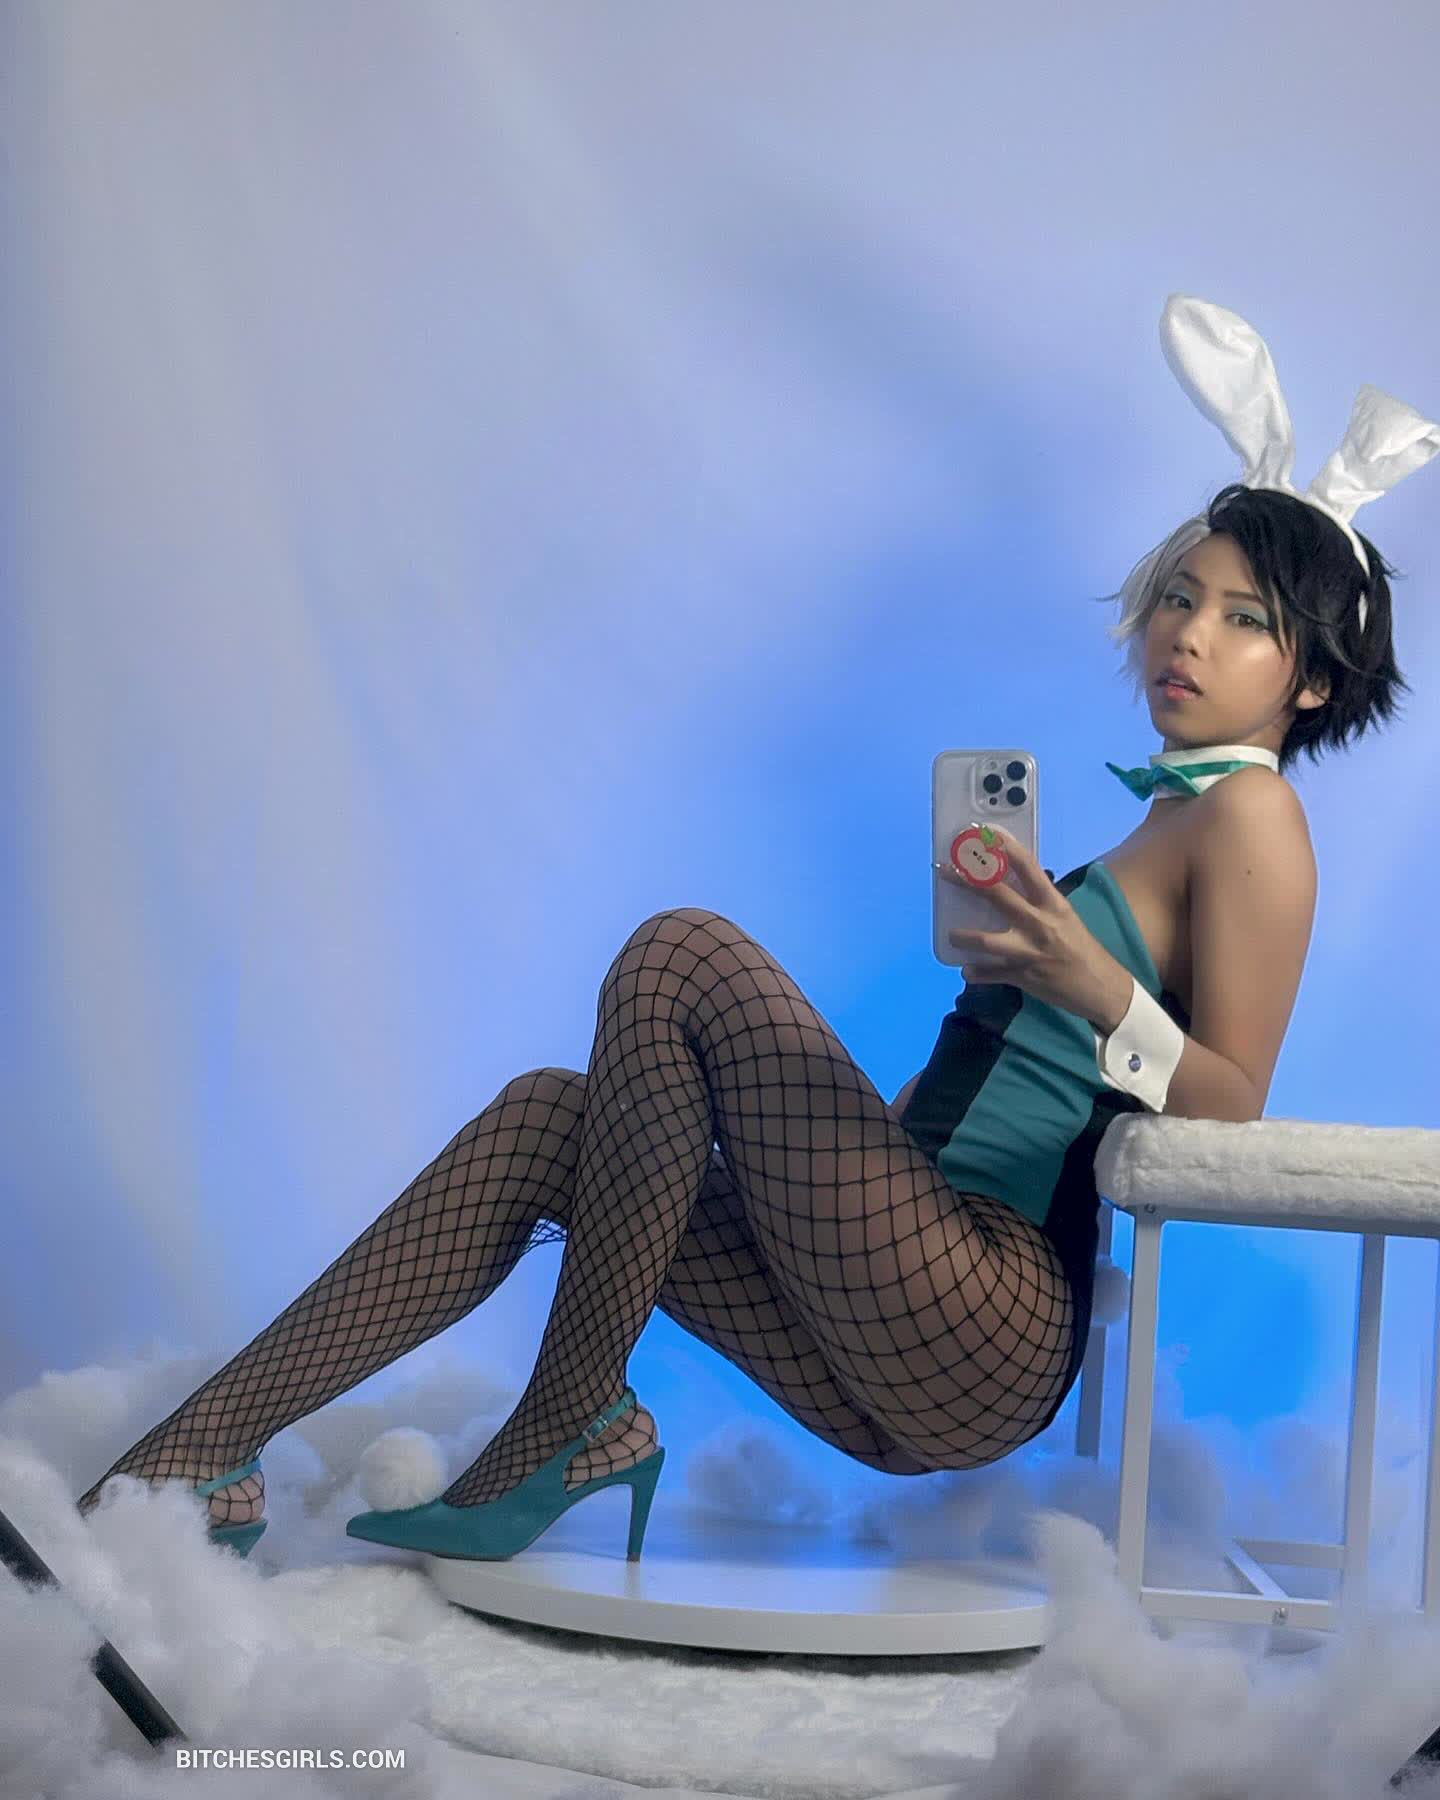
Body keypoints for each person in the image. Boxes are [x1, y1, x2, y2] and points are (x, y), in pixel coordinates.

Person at [74, 296, 1435, 1564]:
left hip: (989, 1320)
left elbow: (1234, 1104)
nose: (1186, 634)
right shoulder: (1169, 818)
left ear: (1313, 681)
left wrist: (1088, 981)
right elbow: (1002, 1089)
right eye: (1180, 597)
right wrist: (864, 1128)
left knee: (684, 953)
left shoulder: (1254, 816)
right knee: (551, 1118)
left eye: (1243, 620)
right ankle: (192, 1462)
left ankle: (562, 1421)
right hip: (901, 1299)